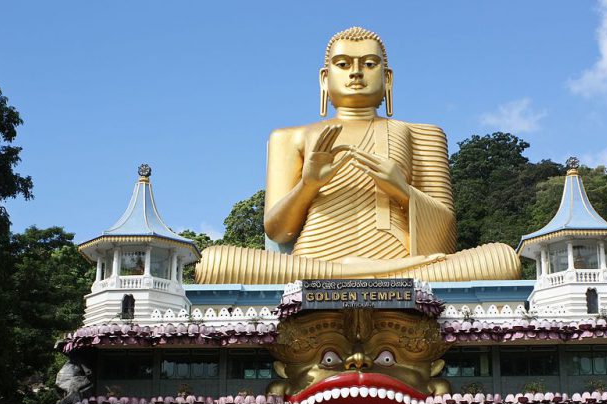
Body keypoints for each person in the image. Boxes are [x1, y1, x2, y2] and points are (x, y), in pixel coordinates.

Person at [194, 27, 521, 284]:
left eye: (368, 63)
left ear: (387, 78)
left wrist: (402, 191)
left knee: (503, 259)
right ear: (325, 79)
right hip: (314, 265)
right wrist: (308, 185)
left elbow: (445, 240)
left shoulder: (421, 133)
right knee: (213, 263)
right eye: (342, 64)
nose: (356, 72)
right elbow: (278, 232)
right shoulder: (290, 137)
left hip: (402, 265)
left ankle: (352, 279)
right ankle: (347, 278)